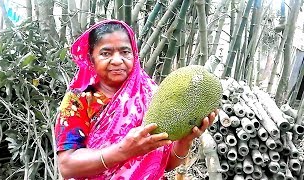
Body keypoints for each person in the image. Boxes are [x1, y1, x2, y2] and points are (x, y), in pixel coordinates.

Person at [55, 19, 218, 180]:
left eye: (125, 52)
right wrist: (123, 150)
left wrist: (185, 140)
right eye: (106, 53)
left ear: (134, 54)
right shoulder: (79, 100)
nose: (118, 60)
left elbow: (165, 164)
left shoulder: (152, 94)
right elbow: (67, 166)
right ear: (91, 58)